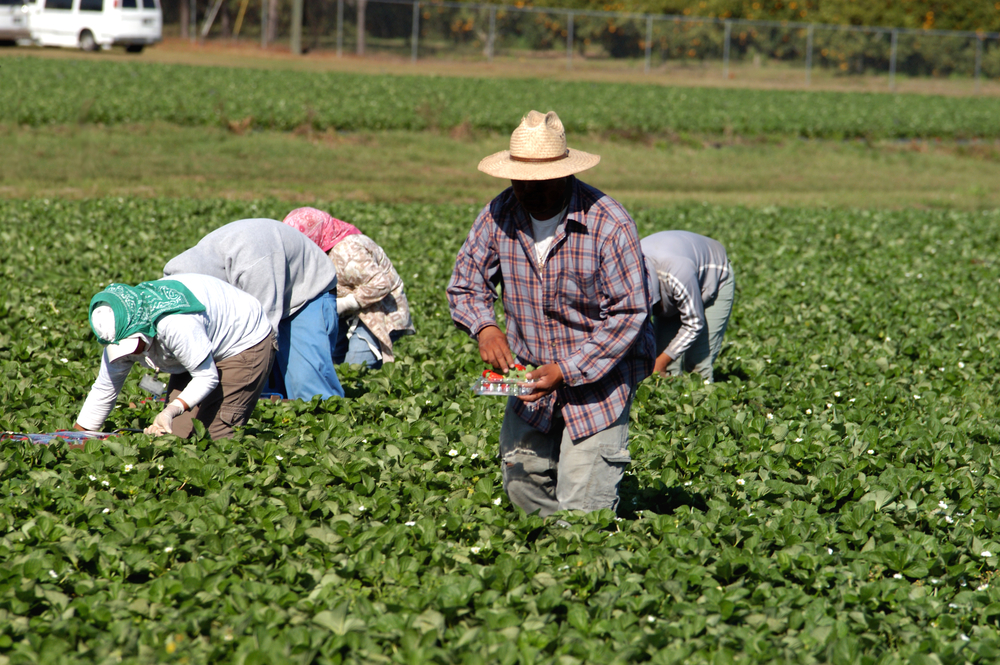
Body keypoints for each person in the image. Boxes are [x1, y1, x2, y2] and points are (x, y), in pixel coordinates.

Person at [447, 110, 654, 518]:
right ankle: (545, 566)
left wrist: (567, 368)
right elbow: (465, 282)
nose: (527, 189)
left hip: (600, 382)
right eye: (519, 179)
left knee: (584, 508)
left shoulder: (608, 223)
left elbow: (629, 313)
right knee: (523, 482)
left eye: (540, 181)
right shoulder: (499, 214)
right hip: (530, 375)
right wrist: (485, 328)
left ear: (565, 174)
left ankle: (579, 567)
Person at [74, 274, 274, 439]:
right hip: (193, 348)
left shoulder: (176, 325)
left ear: (143, 326)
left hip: (241, 342)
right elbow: (105, 388)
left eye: (134, 345)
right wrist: (76, 437)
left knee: (215, 437)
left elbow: (206, 376)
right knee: (175, 436)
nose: (132, 354)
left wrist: (170, 410)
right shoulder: (117, 331)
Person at [163, 218, 343, 401]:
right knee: (267, 385)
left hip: (306, 291)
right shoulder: (178, 275)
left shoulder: (254, 265)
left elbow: (263, 332)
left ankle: (319, 420)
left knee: (306, 383)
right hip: (259, 281)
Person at [283, 207, 414, 369]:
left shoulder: (346, 250)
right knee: (336, 364)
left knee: (355, 366)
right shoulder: (324, 248)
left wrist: (346, 303)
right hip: (348, 315)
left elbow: (380, 283)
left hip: (379, 312)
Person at [641, 230, 735, 383]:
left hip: (713, 278)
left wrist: (660, 363)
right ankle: (671, 402)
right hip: (674, 289)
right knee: (663, 360)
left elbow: (694, 323)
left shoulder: (675, 272)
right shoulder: (625, 273)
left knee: (697, 364)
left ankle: (702, 400)